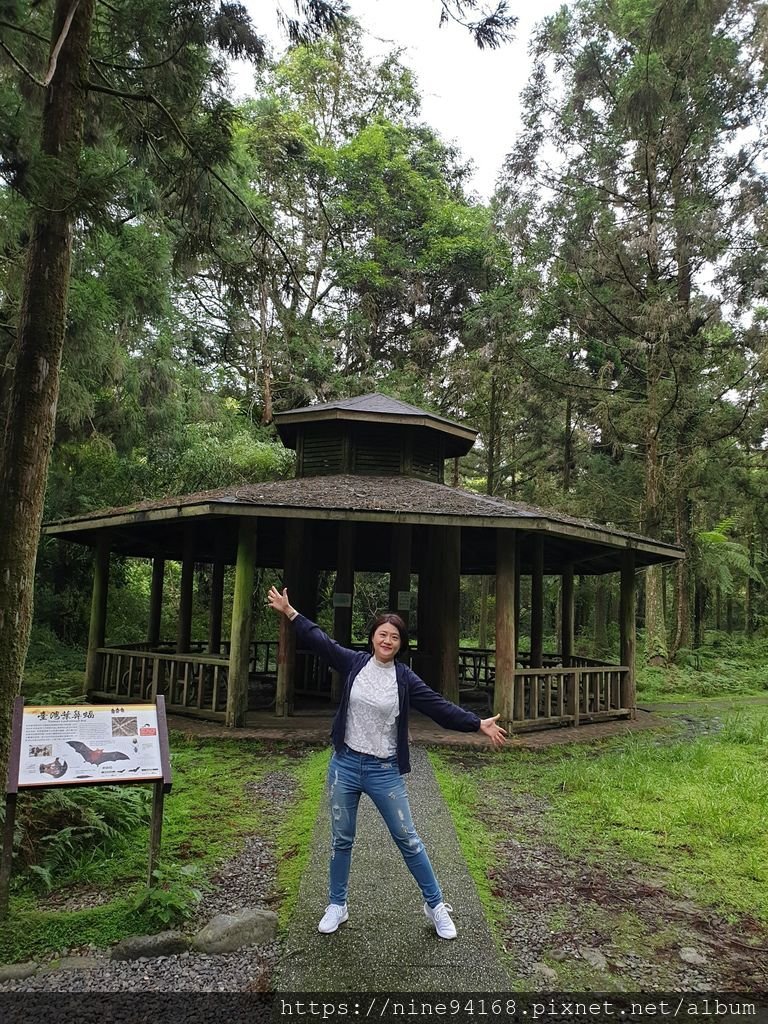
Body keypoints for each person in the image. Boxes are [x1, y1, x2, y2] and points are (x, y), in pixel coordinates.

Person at [267, 585, 507, 940]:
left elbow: (438, 707)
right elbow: (321, 642)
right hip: (345, 765)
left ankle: (435, 904)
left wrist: (476, 723)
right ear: (373, 637)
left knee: (408, 839)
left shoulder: (404, 679)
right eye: (382, 634)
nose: (387, 640)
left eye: (394, 636)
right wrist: (290, 612)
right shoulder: (354, 663)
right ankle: (338, 903)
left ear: (400, 644)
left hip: (384, 770)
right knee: (341, 839)